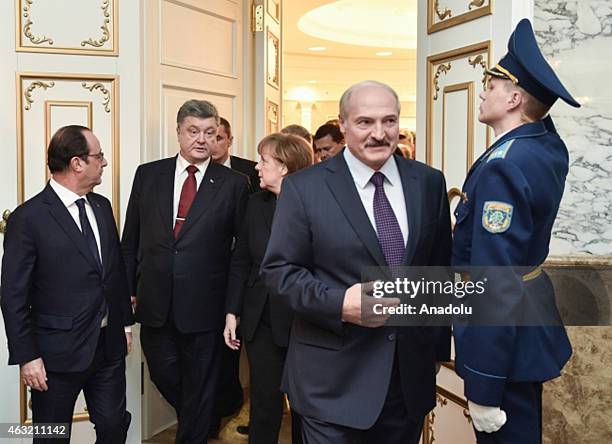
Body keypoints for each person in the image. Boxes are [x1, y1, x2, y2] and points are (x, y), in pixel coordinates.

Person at [261, 81, 452, 443]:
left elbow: (438, 268)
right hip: (331, 383)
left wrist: (435, 351)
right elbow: (278, 272)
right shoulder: (305, 188)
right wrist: (339, 304)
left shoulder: (428, 183)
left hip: (405, 381)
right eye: (365, 122)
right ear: (343, 124)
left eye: (389, 121)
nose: (379, 134)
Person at [451, 19, 579, 443]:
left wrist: (485, 386)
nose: (483, 90)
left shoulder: (505, 165)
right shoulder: (541, 145)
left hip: (503, 342)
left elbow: (496, 280)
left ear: (514, 97)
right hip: (524, 329)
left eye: (491, 83)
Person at [121, 100, 249, 443]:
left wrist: (232, 308)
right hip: (154, 302)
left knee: (201, 384)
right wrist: (127, 290)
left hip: (207, 308)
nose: (201, 139)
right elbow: (130, 239)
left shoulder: (234, 184)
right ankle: (206, 414)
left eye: (210, 132)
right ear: (178, 132)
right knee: (167, 376)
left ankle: (197, 425)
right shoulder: (148, 174)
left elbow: (242, 256)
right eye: (193, 131)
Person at [1, 125, 133, 443]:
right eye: (98, 155)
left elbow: (114, 271)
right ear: (77, 163)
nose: (104, 162)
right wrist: (27, 356)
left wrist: (125, 325)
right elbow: (12, 294)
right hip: (55, 354)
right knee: (52, 436)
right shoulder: (28, 218)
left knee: (114, 426)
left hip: (107, 346)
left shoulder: (101, 207)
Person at [224, 133, 313, 444]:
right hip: (260, 318)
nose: (257, 168)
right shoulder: (254, 203)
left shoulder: (317, 205)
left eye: (264, 161)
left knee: (306, 406)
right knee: (264, 403)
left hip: (305, 320)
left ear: (285, 167)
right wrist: (232, 311)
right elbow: (241, 261)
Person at [211, 117, 260, 192]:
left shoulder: (251, 170)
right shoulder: (195, 171)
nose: (213, 144)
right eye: (209, 138)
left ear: (230, 141)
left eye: (218, 138)